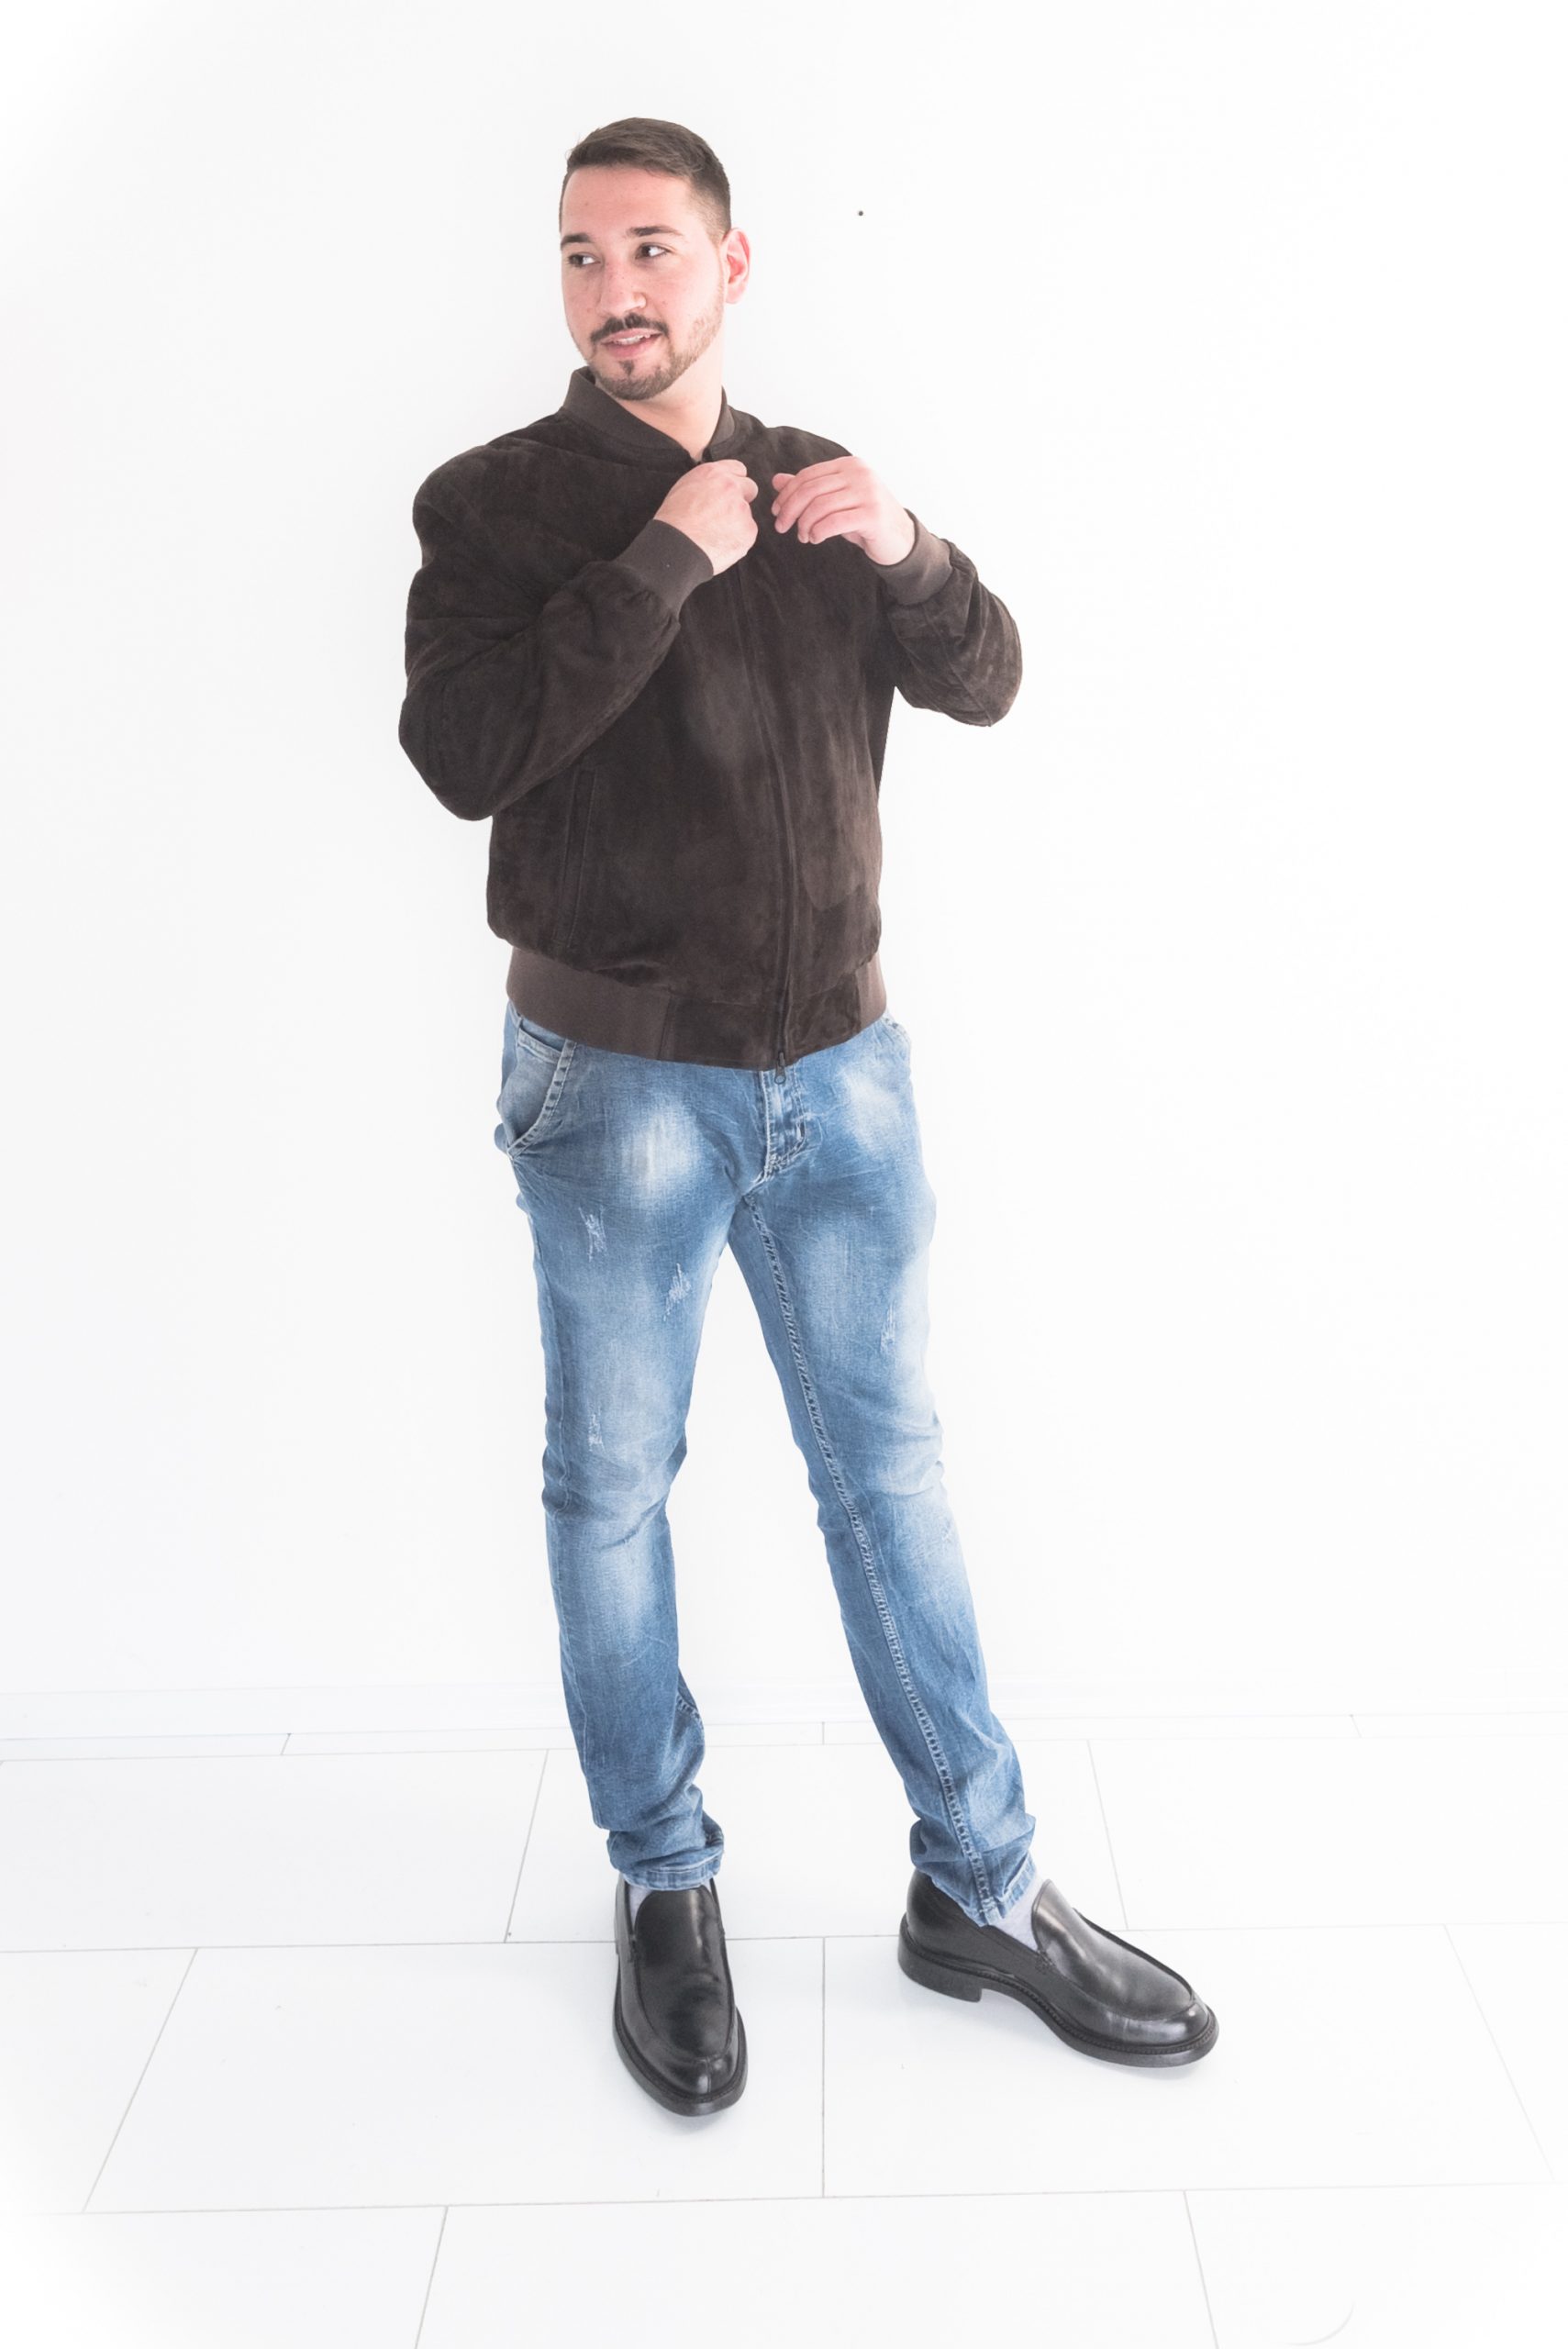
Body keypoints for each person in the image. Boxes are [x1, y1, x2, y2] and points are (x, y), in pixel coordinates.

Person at [398, 116, 1217, 2116]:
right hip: (615, 1087)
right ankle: (663, 1880)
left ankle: (982, 1889)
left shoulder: (813, 477)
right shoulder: (494, 505)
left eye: (650, 250)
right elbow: (467, 751)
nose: (615, 291)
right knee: (611, 1491)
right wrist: (667, 559)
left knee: (892, 1481)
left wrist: (912, 551)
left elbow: (988, 678)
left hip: (844, 1079)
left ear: (731, 264)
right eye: (581, 255)